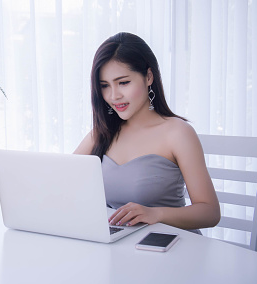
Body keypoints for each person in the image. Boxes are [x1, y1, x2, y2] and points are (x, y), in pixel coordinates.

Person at [74, 32, 220, 232]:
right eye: (105, 86)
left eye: (123, 82)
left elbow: (210, 212)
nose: (114, 95)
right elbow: (64, 184)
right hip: (122, 246)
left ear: (148, 77)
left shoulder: (177, 133)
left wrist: (155, 214)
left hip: (172, 244)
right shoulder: (102, 133)